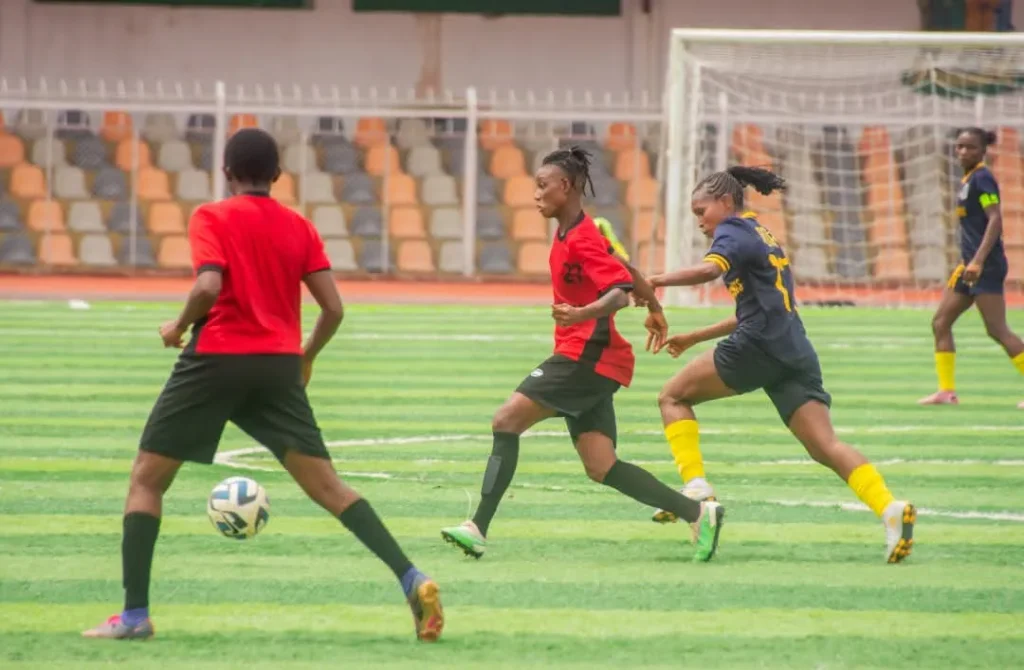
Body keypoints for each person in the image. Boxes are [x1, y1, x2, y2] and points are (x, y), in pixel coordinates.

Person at [82, 128, 443, 642]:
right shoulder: (299, 227)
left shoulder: (211, 216)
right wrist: (306, 357)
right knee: (328, 488)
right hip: (277, 366)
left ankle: (135, 616)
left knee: (147, 479)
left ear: (226, 171)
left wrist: (179, 326)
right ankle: (413, 576)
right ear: (277, 175)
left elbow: (209, 284)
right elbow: (334, 309)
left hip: (216, 360)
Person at [440, 147, 725, 563]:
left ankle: (477, 528)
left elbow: (618, 292)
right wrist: (657, 308)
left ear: (566, 186)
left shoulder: (583, 236)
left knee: (506, 420)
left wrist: (582, 313)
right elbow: (627, 270)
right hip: (595, 359)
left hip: (587, 355)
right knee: (601, 465)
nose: (536, 195)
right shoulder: (571, 232)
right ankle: (698, 513)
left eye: (542, 186)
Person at [644, 166, 916, 564]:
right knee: (825, 445)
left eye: (701, 210)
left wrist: (657, 280)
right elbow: (755, 308)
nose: (699, 221)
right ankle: (890, 509)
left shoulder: (731, 232)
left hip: (759, 347)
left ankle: (697, 488)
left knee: (672, 397)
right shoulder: (762, 234)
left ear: (725, 202)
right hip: (794, 348)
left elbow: (708, 271)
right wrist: (695, 336)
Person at [919, 127, 1024, 408]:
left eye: (970, 147)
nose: (963, 152)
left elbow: (995, 219)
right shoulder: (968, 179)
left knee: (997, 329)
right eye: (960, 146)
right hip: (967, 266)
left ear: (983, 151)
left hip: (984, 265)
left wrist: (977, 260)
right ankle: (946, 391)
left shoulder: (983, 179)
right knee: (940, 323)